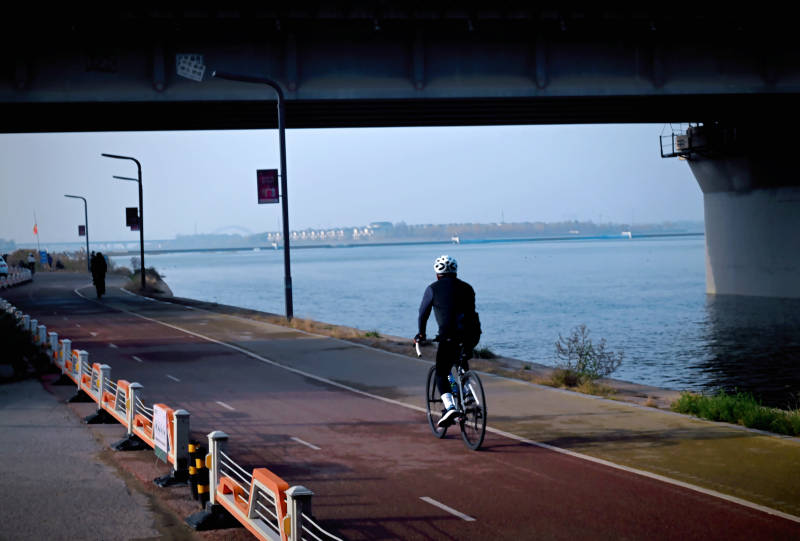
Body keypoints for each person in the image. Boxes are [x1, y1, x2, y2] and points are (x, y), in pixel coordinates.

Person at [415, 254, 479, 428]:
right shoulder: (468, 288)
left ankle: (450, 407)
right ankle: (467, 392)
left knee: (442, 372)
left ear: (437, 274)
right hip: (471, 335)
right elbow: (470, 313)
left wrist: (421, 334)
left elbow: (423, 314)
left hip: (448, 336)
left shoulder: (432, 289)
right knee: (459, 361)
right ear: (456, 272)